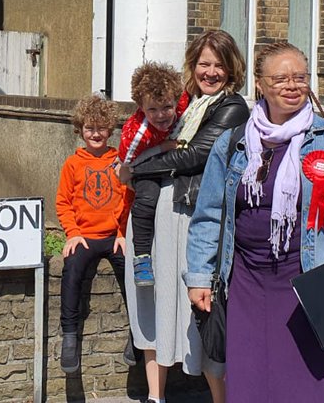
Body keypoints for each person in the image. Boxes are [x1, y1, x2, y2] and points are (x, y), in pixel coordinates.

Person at [185, 42, 324, 402]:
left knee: (305, 387)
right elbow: (208, 215)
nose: (292, 85)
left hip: (309, 286)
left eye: (300, 77)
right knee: (250, 383)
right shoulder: (233, 143)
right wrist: (199, 276)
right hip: (246, 284)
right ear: (259, 84)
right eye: (280, 78)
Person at [117, 30, 251, 403]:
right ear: (192, 66)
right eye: (203, 64)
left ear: (231, 68)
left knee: (201, 313)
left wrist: (136, 168)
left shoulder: (232, 108)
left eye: (218, 65)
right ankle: (155, 397)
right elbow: (140, 132)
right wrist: (131, 161)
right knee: (154, 302)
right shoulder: (183, 102)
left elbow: (193, 156)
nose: (210, 72)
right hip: (157, 214)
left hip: (192, 219)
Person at [56, 94, 132, 373]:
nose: (96, 133)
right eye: (90, 128)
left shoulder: (119, 161)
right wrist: (72, 232)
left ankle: (137, 334)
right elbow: (63, 202)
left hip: (114, 237)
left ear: (110, 128)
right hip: (84, 237)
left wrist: (123, 233)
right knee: (72, 271)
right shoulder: (73, 164)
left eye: (101, 127)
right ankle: (69, 336)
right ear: (80, 130)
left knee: (134, 279)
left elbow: (128, 199)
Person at [118, 62, 187, 286]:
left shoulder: (185, 103)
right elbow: (127, 168)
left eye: (167, 107)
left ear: (177, 100)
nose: (160, 116)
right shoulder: (135, 135)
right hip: (143, 164)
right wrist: (163, 147)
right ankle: (142, 258)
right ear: (140, 108)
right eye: (152, 110)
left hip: (170, 158)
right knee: (146, 199)